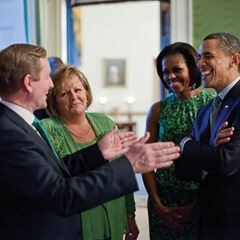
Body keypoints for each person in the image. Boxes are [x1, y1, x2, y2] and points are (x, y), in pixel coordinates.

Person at [0, 43, 180, 240]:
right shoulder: (9, 133)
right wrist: (128, 165)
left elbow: (56, 170)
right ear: (28, 82)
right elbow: (61, 195)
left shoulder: (17, 123)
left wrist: (98, 152)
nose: (50, 85)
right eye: (46, 77)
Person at [42, 64, 139, 240]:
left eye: (78, 89)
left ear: (86, 92)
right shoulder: (48, 130)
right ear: (54, 100)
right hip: (76, 224)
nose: (73, 97)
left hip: (114, 216)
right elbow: (54, 179)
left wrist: (130, 214)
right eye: (64, 93)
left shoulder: (104, 122)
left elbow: (123, 169)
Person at [142, 42, 213, 240]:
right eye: (165, 72)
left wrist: (196, 205)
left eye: (177, 70)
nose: (170, 77)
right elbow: (147, 161)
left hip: (201, 199)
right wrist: (158, 204)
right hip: (163, 200)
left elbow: (217, 159)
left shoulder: (212, 104)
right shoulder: (157, 109)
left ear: (192, 67)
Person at [176, 32, 240, 239]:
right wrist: (211, 150)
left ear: (234, 60)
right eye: (199, 58)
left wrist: (188, 144)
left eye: (208, 56)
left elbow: (226, 162)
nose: (200, 64)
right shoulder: (205, 110)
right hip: (205, 220)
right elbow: (183, 169)